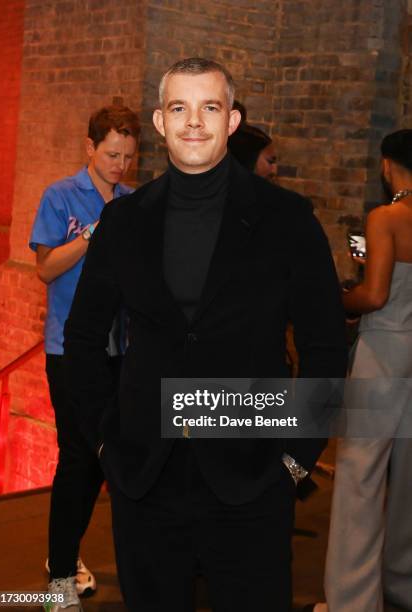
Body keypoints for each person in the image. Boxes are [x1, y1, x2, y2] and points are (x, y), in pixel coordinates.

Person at [64, 58, 347, 612]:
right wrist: (104, 444)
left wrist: (296, 460)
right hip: (145, 477)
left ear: (232, 120)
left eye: (210, 107)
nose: (194, 121)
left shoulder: (288, 218)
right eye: (179, 108)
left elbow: (325, 346)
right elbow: (82, 340)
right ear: (161, 122)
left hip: (254, 476)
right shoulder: (124, 222)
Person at [29, 105, 140, 611]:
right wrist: (96, 233)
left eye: (128, 157)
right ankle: (58, 577)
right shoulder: (60, 195)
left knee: (109, 459)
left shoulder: (133, 200)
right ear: (89, 147)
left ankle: (79, 561)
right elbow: (47, 269)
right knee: (77, 459)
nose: (119, 164)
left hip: (123, 347)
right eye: (112, 153)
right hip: (69, 349)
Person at [308, 129, 412, 612]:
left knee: (359, 476)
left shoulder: (386, 216)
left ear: (388, 164)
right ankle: (402, 583)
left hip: (384, 353)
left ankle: (352, 601)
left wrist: (333, 302)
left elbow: (374, 296)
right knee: (408, 480)